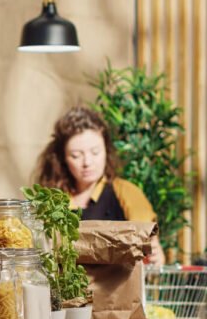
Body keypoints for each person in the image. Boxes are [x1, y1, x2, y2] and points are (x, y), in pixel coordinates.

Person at [35, 106, 165, 266]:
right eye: (76, 155)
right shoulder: (53, 201)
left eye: (95, 152)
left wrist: (154, 255)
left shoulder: (126, 193)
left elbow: (152, 251)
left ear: (106, 150)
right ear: (62, 158)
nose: (87, 163)